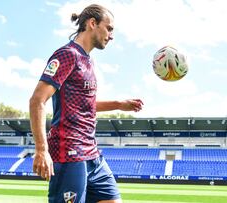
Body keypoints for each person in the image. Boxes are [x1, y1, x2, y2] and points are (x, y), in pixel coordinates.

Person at [29, 4, 143, 203]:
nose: (111, 35)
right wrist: (41, 149)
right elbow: (37, 100)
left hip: (92, 153)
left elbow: (85, 104)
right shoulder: (67, 55)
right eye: (109, 28)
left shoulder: (88, 61)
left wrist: (118, 104)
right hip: (70, 153)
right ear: (92, 23)